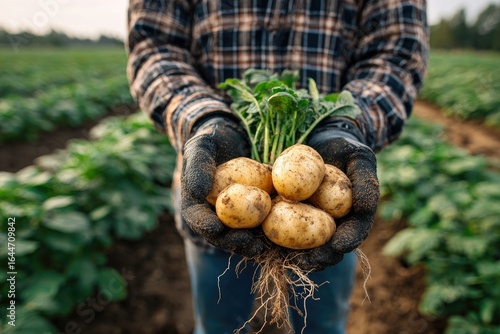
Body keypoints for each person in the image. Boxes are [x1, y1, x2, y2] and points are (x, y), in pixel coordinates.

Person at [126, 0, 428, 333]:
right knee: (219, 326)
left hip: (327, 212)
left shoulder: (303, 184)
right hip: (211, 194)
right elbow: (153, 45)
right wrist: (204, 118)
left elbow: (398, 50)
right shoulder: (232, 192)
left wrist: (346, 123)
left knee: (322, 327)